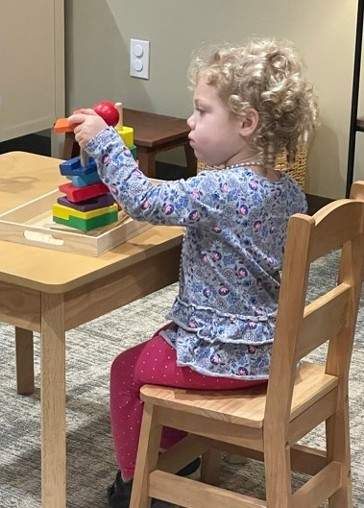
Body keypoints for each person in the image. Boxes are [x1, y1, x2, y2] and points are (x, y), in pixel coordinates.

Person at [69, 38, 318, 507]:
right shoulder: (287, 190)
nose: (189, 121)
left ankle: (138, 486)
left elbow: (145, 200)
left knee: (128, 370)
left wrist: (104, 143)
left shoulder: (221, 188)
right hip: (271, 347)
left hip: (226, 356)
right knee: (163, 341)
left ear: (247, 124)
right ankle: (172, 454)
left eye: (202, 112)